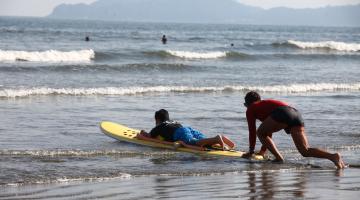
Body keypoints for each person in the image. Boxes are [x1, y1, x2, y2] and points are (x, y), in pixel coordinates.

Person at [242, 91, 345, 169]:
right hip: (295, 114)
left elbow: (253, 131)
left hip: (283, 112)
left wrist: (251, 151)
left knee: (259, 132)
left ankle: (279, 158)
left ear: (248, 103)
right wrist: (262, 151)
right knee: (305, 151)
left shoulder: (252, 108)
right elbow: (268, 133)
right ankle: (333, 156)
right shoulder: (264, 106)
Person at [140, 109, 235, 150]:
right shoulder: (173, 122)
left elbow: (149, 136)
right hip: (185, 128)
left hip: (180, 133)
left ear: (157, 120)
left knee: (194, 143)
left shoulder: (159, 127)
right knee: (202, 140)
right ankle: (219, 140)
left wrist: (143, 132)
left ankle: (217, 138)